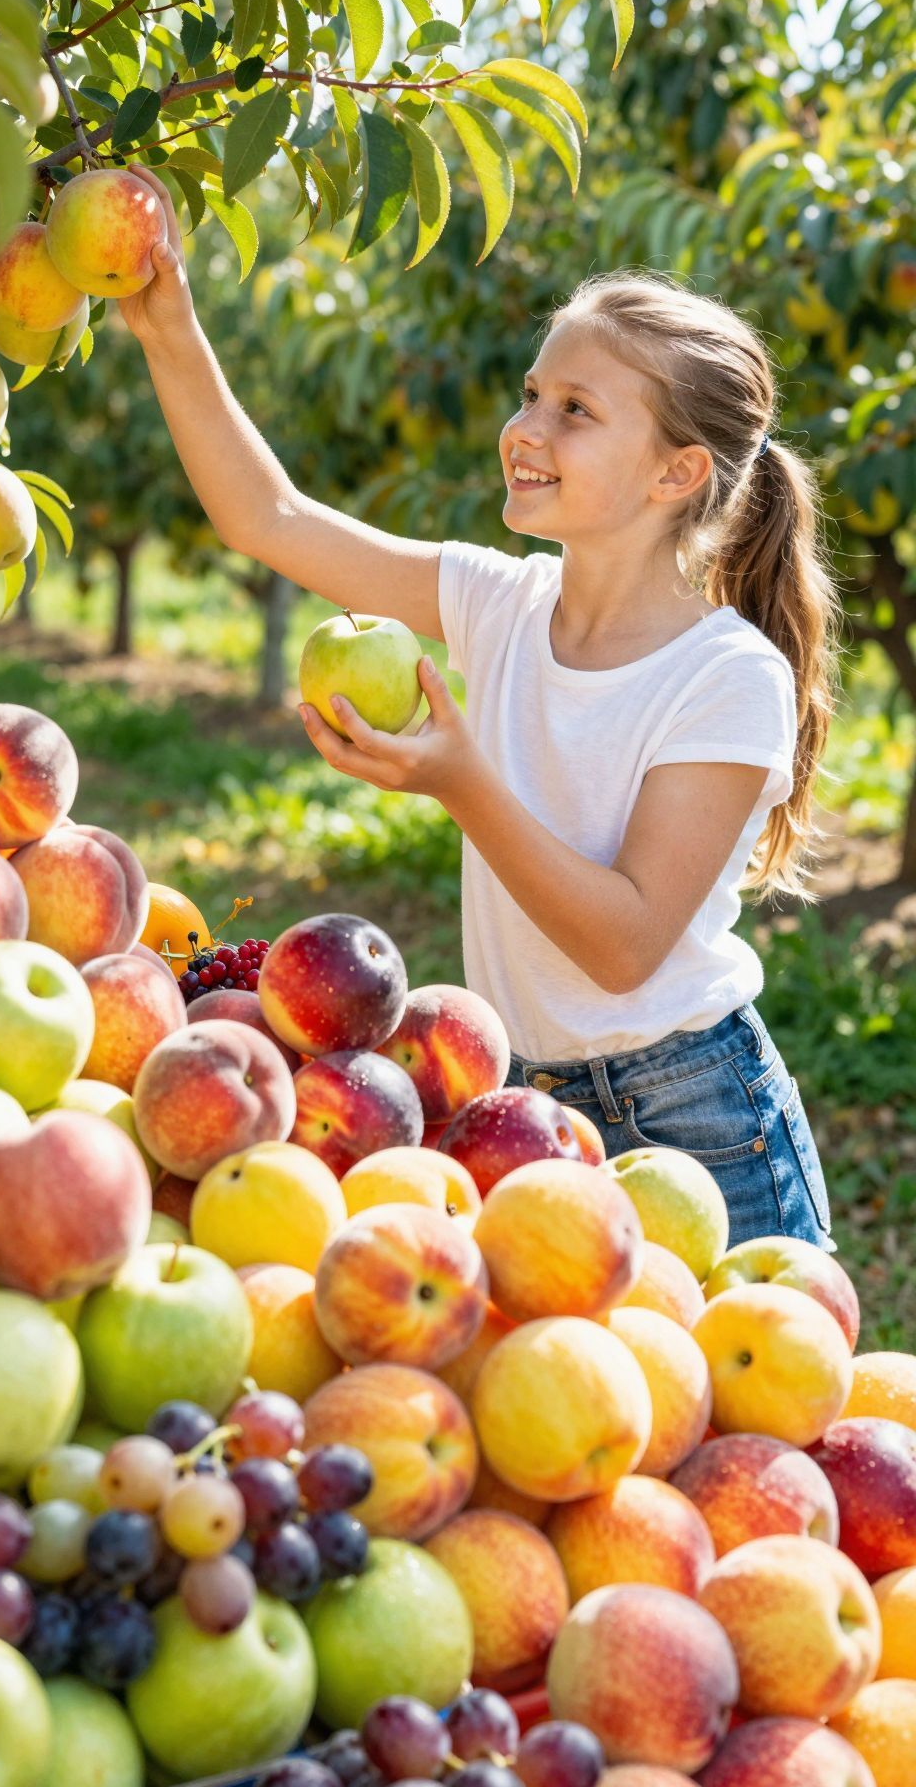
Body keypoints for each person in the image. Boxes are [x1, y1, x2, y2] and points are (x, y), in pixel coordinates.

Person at [117, 165, 841, 1254]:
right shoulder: (501, 602)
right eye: (531, 393)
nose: (527, 425)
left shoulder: (726, 676)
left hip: (696, 1119)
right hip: (518, 1096)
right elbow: (269, 516)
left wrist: (458, 780)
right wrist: (167, 323)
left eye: (577, 410)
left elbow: (625, 943)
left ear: (675, 472)